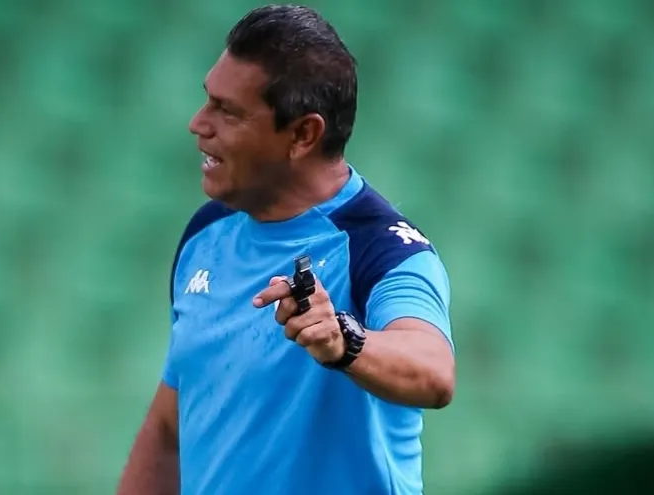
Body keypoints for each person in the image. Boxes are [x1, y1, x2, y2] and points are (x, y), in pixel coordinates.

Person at [117, 5, 455, 495]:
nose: (197, 123)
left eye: (227, 111)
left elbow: (434, 370)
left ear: (303, 134)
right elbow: (170, 428)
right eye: (207, 100)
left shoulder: (380, 250)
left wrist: (345, 341)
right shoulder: (205, 234)